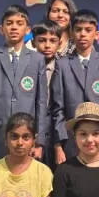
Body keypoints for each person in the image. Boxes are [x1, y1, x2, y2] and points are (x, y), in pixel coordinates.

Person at [0, 5, 49, 165]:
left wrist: (40, 141)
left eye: (19, 23)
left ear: (28, 30)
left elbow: (41, 103)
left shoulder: (37, 60)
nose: (14, 27)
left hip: (28, 135)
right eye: (9, 23)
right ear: (1, 29)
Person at [51, 9, 99, 161]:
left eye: (88, 30)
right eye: (78, 30)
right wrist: (59, 145)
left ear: (97, 34)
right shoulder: (62, 65)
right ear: (71, 33)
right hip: (71, 142)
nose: (82, 34)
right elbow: (58, 109)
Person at [30, 21, 63, 166]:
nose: (47, 45)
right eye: (42, 40)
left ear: (59, 44)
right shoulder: (27, 68)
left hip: (57, 134)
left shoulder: (64, 68)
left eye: (53, 41)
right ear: (33, 43)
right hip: (33, 131)